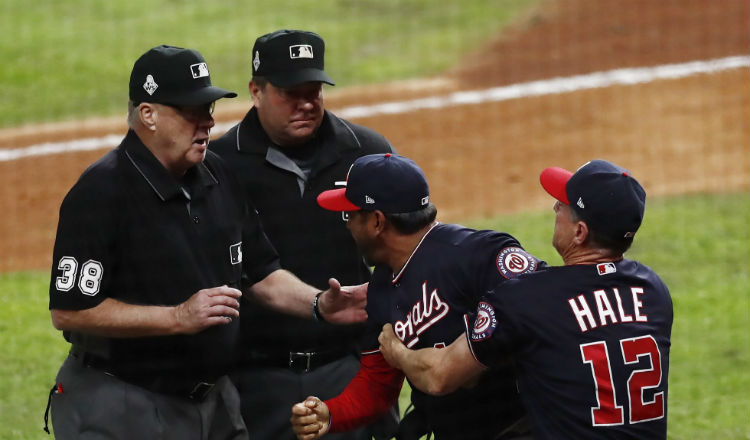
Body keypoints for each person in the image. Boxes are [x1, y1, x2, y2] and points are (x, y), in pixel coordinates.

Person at [45, 44, 367, 440]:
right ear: (149, 115)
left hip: (214, 403)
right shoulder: (102, 193)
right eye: (190, 112)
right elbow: (70, 311)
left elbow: (260, 272)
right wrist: (176, 317)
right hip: (123, 403)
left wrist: (318, 304)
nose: (206, 124)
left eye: (208, 110)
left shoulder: (217, 174)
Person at [378, 159, 673, 439]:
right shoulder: (654, 291)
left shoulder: (526, 299)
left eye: (564, 205)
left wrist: (397, 352)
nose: (556, 206)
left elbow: (439, 376)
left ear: (580, 232)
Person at [210, 30, 397, 440]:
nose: (306, 103)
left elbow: (406, 251)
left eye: (313, 90)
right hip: (257, 381)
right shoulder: (219, 166)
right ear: (255, 91)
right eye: (290, 92)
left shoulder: (365, 152)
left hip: (352, 369)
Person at [290, 153, 545, 440]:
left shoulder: (478, 255)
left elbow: (553, 314)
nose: (347, 224)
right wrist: (330, 412)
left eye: (350, 215)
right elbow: (376, 386)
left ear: (377, 222)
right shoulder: (381, 289)